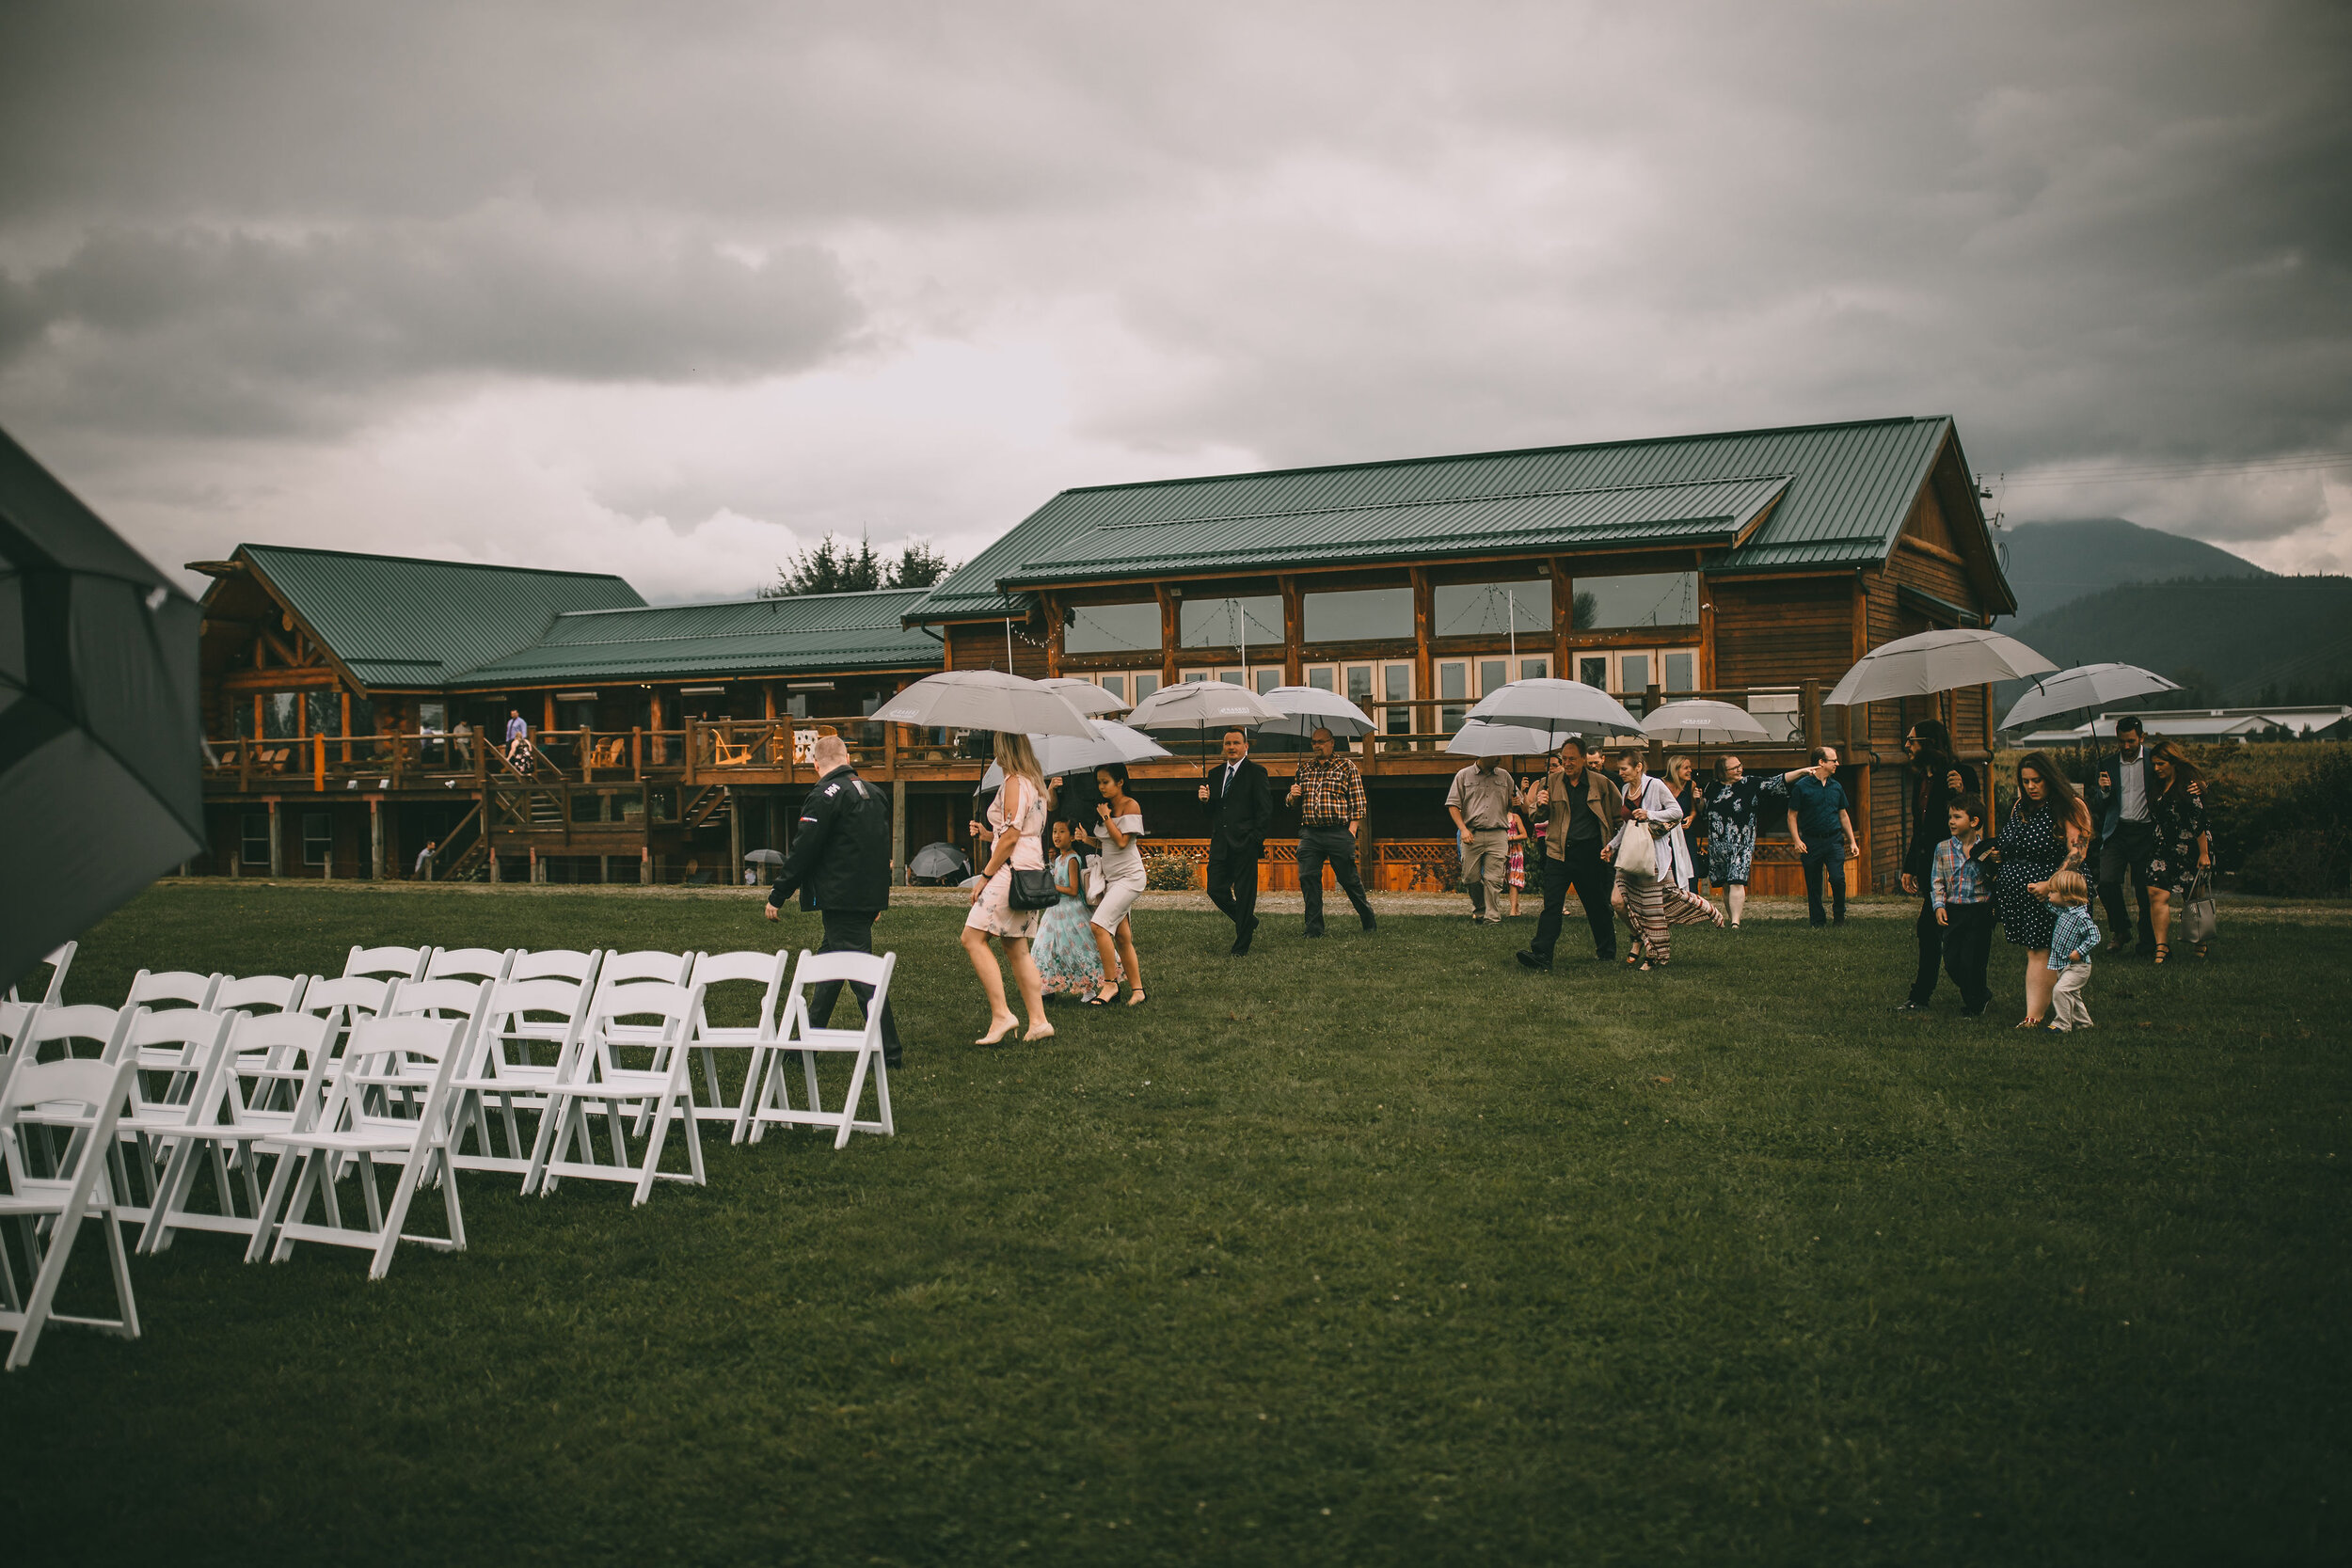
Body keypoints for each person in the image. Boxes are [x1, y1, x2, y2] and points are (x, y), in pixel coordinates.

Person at [764, 733, 900, 1068]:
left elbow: (804, 849)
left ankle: (890, 1053)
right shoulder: (875, 793)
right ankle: (804, 1044)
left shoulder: (824, 795)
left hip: (841, 897)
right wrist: (876, 899)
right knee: (829, 970)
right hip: (864, 896)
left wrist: (778, 893)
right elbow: (880, 849)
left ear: (816, 765)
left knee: (862, 976)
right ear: (847, 757)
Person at [1980, 752, 2092, 1028]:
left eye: (2037, 780)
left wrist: (2051, 885)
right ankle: (2068, 1013)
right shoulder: (2021, 805)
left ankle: (2034, 1016)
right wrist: (1998, 856)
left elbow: (2078, 852)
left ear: (2050, 778)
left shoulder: (2069, 805)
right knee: (2040, 950)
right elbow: (2014, 843)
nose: (2031, 786)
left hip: (2057, 891)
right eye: (2025, 781)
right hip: (2024, 891)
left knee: (2043, 950)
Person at [962, 733, 1053, 1044]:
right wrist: (988, 836)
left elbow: (1013, 836)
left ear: (1004, 749)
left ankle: (1002, 1015)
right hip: (1030, 870)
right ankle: (1039, 1021)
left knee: (972, 937)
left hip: (1009, 871)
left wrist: (985, 876)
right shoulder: (1036, 784)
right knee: (1016, 947)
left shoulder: (1015, 781)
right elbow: (1021, 833)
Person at [1895, 719, 1981, 1014]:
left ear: (1930, 744)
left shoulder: (1960, 774)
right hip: (1933, 871)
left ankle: (1975, 995)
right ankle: (1922, 995)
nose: (1907, 745)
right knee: (1928, 931)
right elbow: (1920, 828)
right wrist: (1909, 866)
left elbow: (1974, 816)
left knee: (1960, 941)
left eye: (1912, 740)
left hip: (1960, 871)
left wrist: (1962, 789)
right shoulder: (1922, 780)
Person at [1514, 737, 1623, 972]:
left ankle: (1607, 952)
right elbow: (1536, 818)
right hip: (1558, 852)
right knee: (1552, 905)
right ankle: (1541, 954)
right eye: (1565, 759)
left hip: (1591, 853)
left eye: (1573, 759)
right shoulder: (1549, 783)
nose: (1568, 763)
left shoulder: (1601, 784)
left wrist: (1612, 846)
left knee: (1597, 906)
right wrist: (1539, 804)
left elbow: (1617, 815)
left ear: (1584, 758)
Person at [1610, 749, 1724, 969]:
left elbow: (1676, 812)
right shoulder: (1625, 789)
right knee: (1617, 901)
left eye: (1624, 769)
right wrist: (1611, 845)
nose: (1621, 773)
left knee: (1652, 908)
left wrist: (1649, 814)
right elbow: (1627, 824)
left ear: (1638, 767)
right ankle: (1637, 936)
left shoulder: (1655, 786)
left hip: (1653, 855)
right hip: (1630, 853)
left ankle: (1655, 954)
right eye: (1620, 769)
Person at [1285, 726, 1376, 937]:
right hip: (1310, 833)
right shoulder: (1304, 769)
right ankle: (1314, 928)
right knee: (1308, 878)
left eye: (1321, 741)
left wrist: (1351, 831)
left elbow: (1359, 803)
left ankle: (1367, 918)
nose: (1317, 745)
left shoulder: (1346, 767)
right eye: (1314, 742)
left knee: (1348, 880)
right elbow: (1291, 805)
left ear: (1332, 742)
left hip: (1338, 832)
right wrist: (1292, 795)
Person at [1697, 755, 1808, 927]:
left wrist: (1802, 772)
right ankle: (1731, 918)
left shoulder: (1750, 783)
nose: (1739, 769)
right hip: (1718, 843)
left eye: (1740, 765)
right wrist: (1698, 800)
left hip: (1742, 841)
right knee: (1726, 882)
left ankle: (1736, 922)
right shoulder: (1711, 787)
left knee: (1737, 879)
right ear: (1722, 772)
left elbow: (1776, 781)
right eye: (1734, 768)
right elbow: (1705, 813)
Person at [2083, 715, 2159, 955]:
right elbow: (2098, 804)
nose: (2126, 746)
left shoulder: (2153, 761)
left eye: (2131, 741)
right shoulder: (2107, 764)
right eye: (2121, 741)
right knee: (2106, 883)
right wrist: (2104, 792)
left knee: (2144, 889)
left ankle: (2147, 941)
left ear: (2141, 738)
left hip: (2146, 831)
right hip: (2117, 833)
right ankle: (2121, 929)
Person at [1200, 727, 1273, 955]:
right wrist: (1205, 801)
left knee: (1244, 895)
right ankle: (1247, 921)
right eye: (1228, 743)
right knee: (1215, 889)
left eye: (1236, 743)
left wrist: (1255, 839)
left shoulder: (1256, 772)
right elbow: (1213, 812)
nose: (1231, 747)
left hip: (1246, 844)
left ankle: (1241, 946)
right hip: (1221, 844)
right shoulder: (1214, 774)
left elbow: (1265, 810)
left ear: (1246, 746)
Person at [2143, 740, 2214, 964]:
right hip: (2162, 847)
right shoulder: (2156, 785)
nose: (2156, 768)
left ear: (2173, 762)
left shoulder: (2188, 786)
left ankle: (2200, 941)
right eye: (2154, 764)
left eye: (2161, 763)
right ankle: (2161, 947)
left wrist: (2204, 854)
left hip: (2189, 846)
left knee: (2192, 898)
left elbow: (2198, 820)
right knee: (2156, 893)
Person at [1931, 793, 1997, 1018]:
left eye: (1957, 817)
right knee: (1951, 961)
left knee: (1973, 961)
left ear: (1974, 822)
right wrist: (1939, 905)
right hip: (1953, 911)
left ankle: (1975, 1003)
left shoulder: (1988, 851)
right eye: (1950, 816)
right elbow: (1937, 880)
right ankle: (1980, 993)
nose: (1951, 821)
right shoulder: (1942, 849)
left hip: (1979, 912)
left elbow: (1994, 880)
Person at [1088, 764, 1150, 1006]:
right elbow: (1108, 842)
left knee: (1098, 926)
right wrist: (1086, 838)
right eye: (1099, 783)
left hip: (1130, 877)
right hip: (1112, 880)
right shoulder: (1107, 807)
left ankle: (1110, 984)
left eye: (1106, 782)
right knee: (1123, 937)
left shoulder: (1130, 805)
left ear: (1120, 782)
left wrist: (1105, 816)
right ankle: (1138, 991)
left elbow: (1123, 842)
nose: (1101, 787)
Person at [1031, 820, 1106, 1000]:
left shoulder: (1073, 859)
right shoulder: (1058, 859)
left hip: (1071, 910)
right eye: (1055, 831)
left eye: (1062, 832)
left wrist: (1053, 886)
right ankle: (1047, 985)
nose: (1057, 835)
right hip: (1054, 910)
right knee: (1045, 945)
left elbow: (1073, 890)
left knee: (1076, 947)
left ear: (1072, 837)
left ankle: (1088, 988)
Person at [1787, 746, 1861, 927]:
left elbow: (1843, 815)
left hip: (1834, 840)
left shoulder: (1836, 786)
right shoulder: (1801, 787)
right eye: (1833, 760)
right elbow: (1792, 815)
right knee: (1813, 884)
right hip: (1811, 841)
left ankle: (1839, 916)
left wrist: (1852, 841)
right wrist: (1797, 840)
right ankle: (1817, 922)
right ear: (1821, 762)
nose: (1837, 763)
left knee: (1838, 879)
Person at [1445, 753, 1515, 924]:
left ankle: (1492, 917)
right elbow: (1453, 805)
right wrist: (1463, 830)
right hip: (1471, 834)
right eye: (1495, 755)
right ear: (1483, 754)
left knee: (1493, 878)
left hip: (1497, 833)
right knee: (1470, 877)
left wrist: (1519, 801)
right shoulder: (1463, 775)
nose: (1499, 758)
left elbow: (1514, 802)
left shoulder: (1505, 776)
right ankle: (1480, 908)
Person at [2043, 870, 2101, 1033]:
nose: (2050, 894)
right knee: (2073, 994)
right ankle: (2084, 1023)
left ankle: (2062, 1024)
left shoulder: (2082, 916)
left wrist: (2080, 951)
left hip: (2079, 966)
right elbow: (2051, 907)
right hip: (2064, 964)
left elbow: (2095, 936)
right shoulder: (2065, 912)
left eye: (2053, 892)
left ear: (2067, 895)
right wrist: (2039, 895)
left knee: (2060, 990)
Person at [1663, 754, 1703, 894]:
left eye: (1690, 767)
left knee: (1691, 869)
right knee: (1670, 869)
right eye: (1686, 768)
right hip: (1665, 835)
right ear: (1675, 769)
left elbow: (1693, 810)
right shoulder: (1660, 785)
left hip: (1686, 833)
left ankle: (1691, 900)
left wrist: (1691, 818)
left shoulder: (1691, 785)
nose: (1690, 770)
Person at [1505, 807, 1528, 917]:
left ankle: (1513, 909)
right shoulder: (1495, 816)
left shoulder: (1515, 817)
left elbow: (1524, 834)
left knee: (1513, 879)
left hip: (1515, 850)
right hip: (1500, 850)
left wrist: (1511, 838)